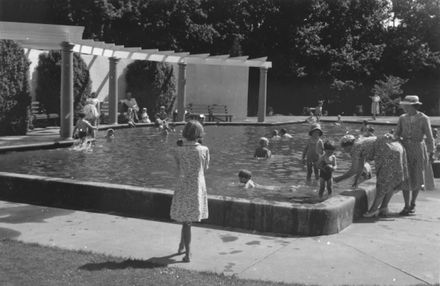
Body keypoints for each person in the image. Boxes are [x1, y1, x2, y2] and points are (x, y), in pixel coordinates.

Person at [334, 134, 409, 218]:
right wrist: (356, 180)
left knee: (382, 183)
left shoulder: (354, 149)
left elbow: (353, 170)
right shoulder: (360, 143)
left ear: (348, 146)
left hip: (387, 152)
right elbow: (360, 166)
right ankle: (383, 208)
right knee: (390, 181)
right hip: (395, 147)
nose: (344, 151)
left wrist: (337, 179)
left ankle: (373, 210)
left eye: (344, 148)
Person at [170, 120, 209, 263]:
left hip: (182, 185)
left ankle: (181, 245)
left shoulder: (177, 150)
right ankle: (188, 253)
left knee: (186, 219)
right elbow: (205, 168)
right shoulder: (204, 150)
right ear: (199, 134)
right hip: (196, 186)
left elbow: (177, 167)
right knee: (188, 221)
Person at [394, 95, 435, 215]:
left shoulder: (423, 118)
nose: (404, 107)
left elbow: (429, 136)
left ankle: (413, 203)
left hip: (418, 148)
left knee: (417, 176)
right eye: (404, 105)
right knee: (405, 177)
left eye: (406, 105)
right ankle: (406, 205)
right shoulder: (402, 118)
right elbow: (397, 133)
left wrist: (431, 152)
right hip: (405, 148)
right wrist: (393, 138)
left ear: (413, 105)